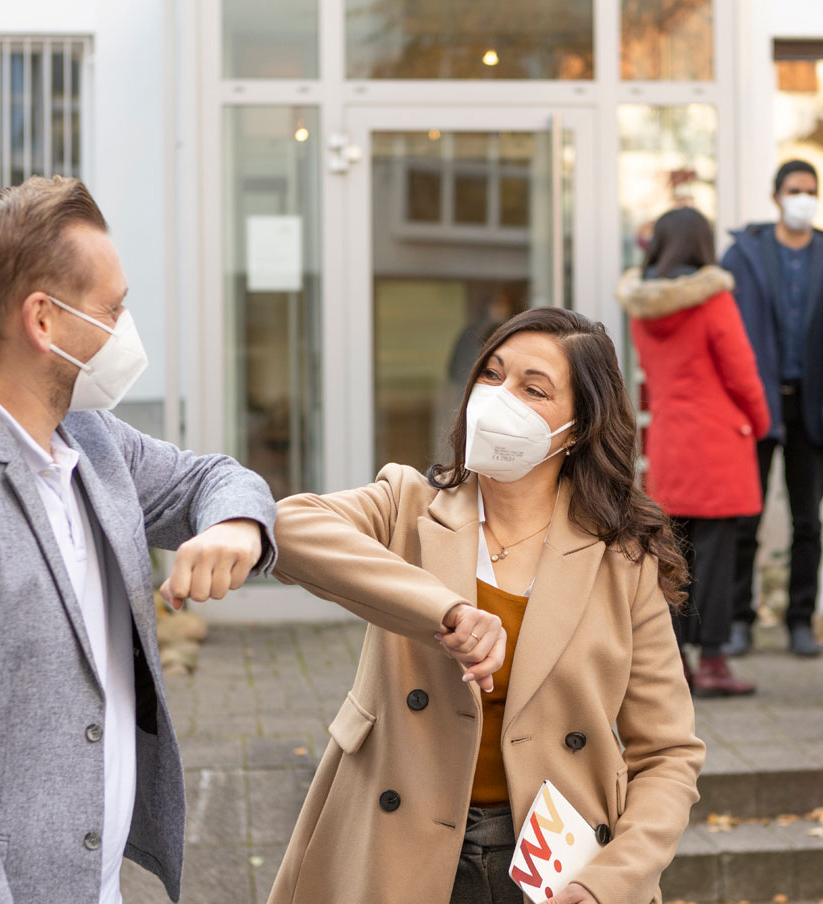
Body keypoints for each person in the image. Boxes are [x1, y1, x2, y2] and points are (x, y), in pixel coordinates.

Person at [0, 176, 277, 904]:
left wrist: (235, 525)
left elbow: (214, 477)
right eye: (112, 309)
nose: (125, 328)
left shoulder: (89, 439)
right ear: (43, 320)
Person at [268, 307, 705, 904]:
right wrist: (444, 611)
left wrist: (609, 880)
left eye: (533, 389)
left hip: (557, 866)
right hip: (396, 847)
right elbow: (288, 527)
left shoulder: (620, 559)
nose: (499, 398)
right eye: (492, 375)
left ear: (577, 428)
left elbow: (668, 753)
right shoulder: (408, 505)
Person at [616, 206, 769, 696]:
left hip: (669, 441)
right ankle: (715, 664)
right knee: (718, 559)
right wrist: (761, 422)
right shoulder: (713, 301)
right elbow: (742, 372)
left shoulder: (642, 309)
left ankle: (676, 659)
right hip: (718, 442)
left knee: (672, 557)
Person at [721, 160, 823, 658]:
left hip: (815, 404)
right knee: (745, 519)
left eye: (811, 190)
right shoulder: (745, 254)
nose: (803, 198)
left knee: (808, 522)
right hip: (755, 404)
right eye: (794, 190)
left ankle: (800, 620)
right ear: (775, 196)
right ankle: (738, 619)